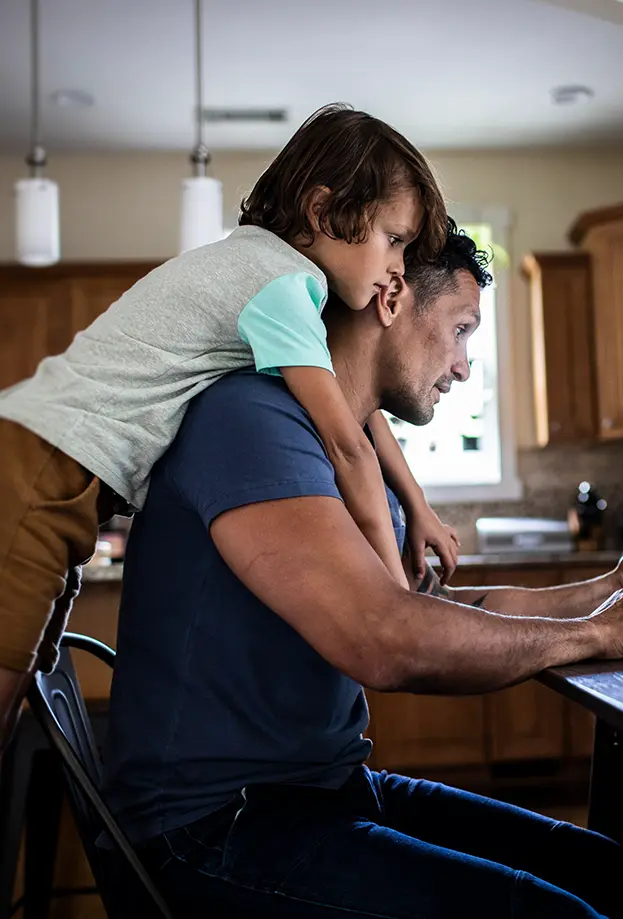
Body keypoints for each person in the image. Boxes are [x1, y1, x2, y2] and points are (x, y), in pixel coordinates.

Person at [100, 222, 623, 918]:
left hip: (320, 791)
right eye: (460, 329)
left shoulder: (351, 440)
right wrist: (602, 634)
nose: (464, 365)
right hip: (211, 828)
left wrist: (610, 593)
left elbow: (433, 606)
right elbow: (386, 637)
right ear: (389, 301)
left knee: (614, 878)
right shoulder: (250, 419)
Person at [0, 104, 459, 756]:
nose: (397, 268)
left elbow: (359, 415)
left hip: (50, 469)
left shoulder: (268, 274)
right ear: (325, 211)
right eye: (394, 239)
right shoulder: (281, 284)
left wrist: (417, 506)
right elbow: (346, 443)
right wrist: (391, 598)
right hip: (39, 467)